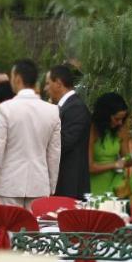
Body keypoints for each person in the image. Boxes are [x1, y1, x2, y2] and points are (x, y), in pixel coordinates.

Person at [0, 58, 61, 209]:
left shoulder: (5, 109)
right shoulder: (52, 110)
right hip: (39, 183)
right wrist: (51, 185)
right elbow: (54, 153)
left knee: (12, 230)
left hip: (10, 184)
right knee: (35, 231)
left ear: (17, 78)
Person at [46, 64, 91, 198]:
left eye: (48, 84)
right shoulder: (65, 107)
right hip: (63, 184)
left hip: (70, 185)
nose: (46, 89)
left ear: (58, 83)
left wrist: (41, 135)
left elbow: (64, 142)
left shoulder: (76, 108)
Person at [87, 92, 132, 198]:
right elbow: (89, 167)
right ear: (105, 115)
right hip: (95, 185)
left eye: (122, 119)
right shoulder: (92, 129)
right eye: (117, 119)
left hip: (116, 184)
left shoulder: (121, 129)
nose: (120, 122)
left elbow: (125, 160)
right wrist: (114, 165)